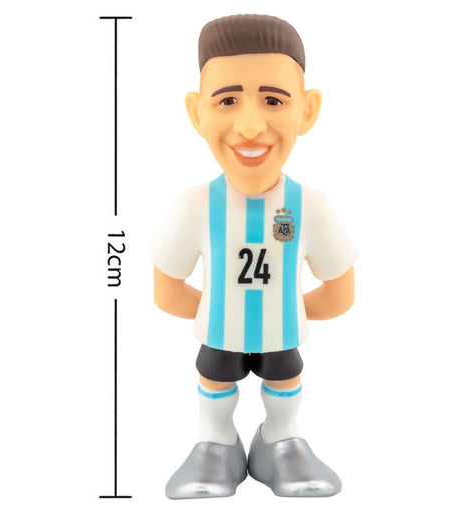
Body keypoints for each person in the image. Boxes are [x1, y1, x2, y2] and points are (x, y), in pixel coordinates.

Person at [150, 14, 357, 499]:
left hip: (280, 335)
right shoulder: (195, 207)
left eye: (273, 100)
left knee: (284, 377)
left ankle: (279, 441)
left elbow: (340, 291)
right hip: (219, 334)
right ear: (197, 112)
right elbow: (165, 289)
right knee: (214, 377)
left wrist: (284, 309)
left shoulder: (311, 208)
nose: (248, 126)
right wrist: (218, 310)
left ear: (307, 110)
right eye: (227, 100)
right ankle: (215, 443)